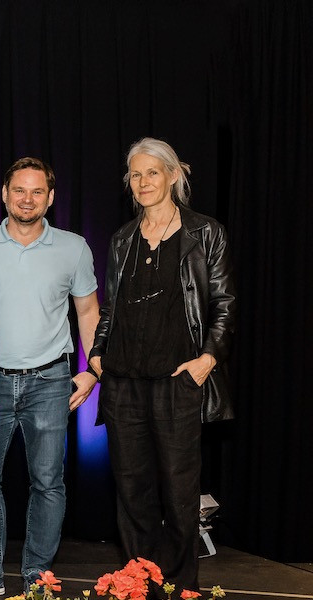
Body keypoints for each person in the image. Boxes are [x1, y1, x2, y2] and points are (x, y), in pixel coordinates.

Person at [90, 138, 235, 593]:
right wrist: (97, 352)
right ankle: (139, 584)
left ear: (173, 175)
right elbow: (110, 307)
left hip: (178, 381)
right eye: (135, 174)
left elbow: (225, 303)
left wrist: (207, 359)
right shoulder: (123, 238)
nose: (143, 182)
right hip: (123, 382)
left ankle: (178, 585)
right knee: (132, 491)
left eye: (152, 172)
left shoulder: (205, 232)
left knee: (178, 490)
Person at [0, 158, 100, 596]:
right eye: (19, 190)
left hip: (51, 382)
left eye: (37, 191)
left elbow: (88, 312)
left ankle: (38, 576)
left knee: (48, 483)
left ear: (50, 197)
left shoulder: (74, 248)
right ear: (4, 194)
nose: (27, 199)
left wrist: (93, 371)